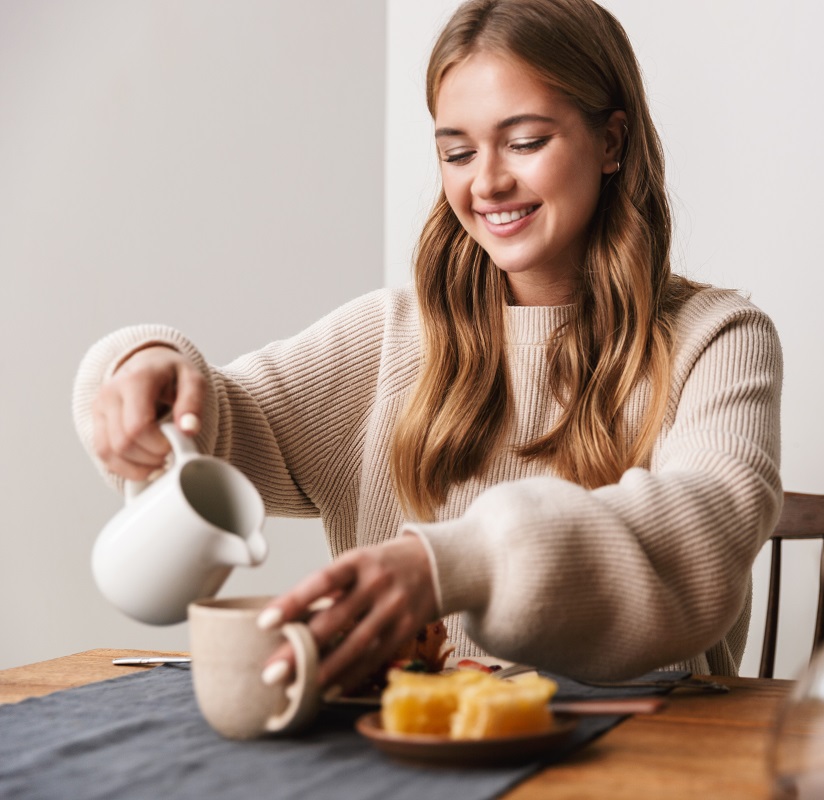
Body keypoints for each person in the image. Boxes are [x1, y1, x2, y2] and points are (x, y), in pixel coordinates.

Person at [73, 0, 782, 695]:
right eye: (457, 151)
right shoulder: (387, 339)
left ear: (612, 142)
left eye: (526, 141)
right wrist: (146, 370)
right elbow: (221, 427)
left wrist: (450, 566)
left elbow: (705, 533)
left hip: (651, 753)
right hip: (405, 753)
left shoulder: (717, 338)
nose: (487, 181)